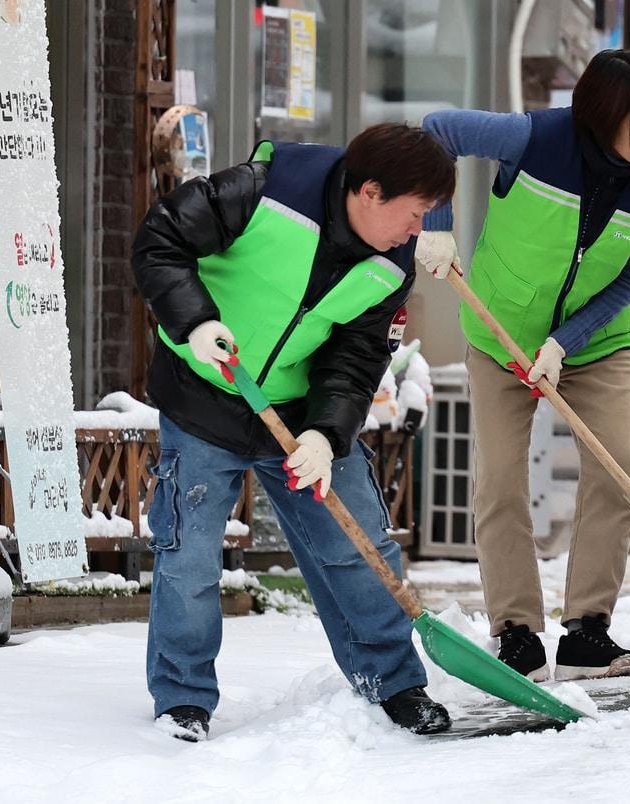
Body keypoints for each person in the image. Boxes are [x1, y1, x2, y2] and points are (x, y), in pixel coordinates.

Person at [131, 123, 456, 741]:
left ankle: (394, 684)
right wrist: (195, 321)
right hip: (205, 395)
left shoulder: (392, 263)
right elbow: (160, 239)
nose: (419, 230)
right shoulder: (263, 192)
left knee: (356, 544)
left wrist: (326, 435)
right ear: (370, 192)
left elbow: (359, 356)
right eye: (415, 213)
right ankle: (182, 700)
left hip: (299, 413)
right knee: (190, 556)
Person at [418, 50, 630, 681]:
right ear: (601, 112)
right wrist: (437, 224)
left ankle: (588, 632)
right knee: (500, 482)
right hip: (500, 335)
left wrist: (565, 342)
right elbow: (437, 131)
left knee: (614, 474)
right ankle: (516, 632)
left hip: (596, 344)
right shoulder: (535, 140)